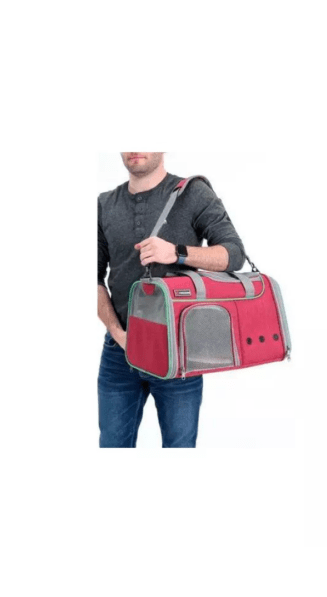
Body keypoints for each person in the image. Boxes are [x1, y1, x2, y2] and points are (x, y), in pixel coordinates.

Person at [97, 153, 246, 448]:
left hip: (179, 352)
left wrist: (176, 253)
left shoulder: (193, 193)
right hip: (119, 352)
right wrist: (117, 332)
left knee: (179, 448)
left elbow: (234, 254)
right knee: (112, 445)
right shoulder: (104, 204)